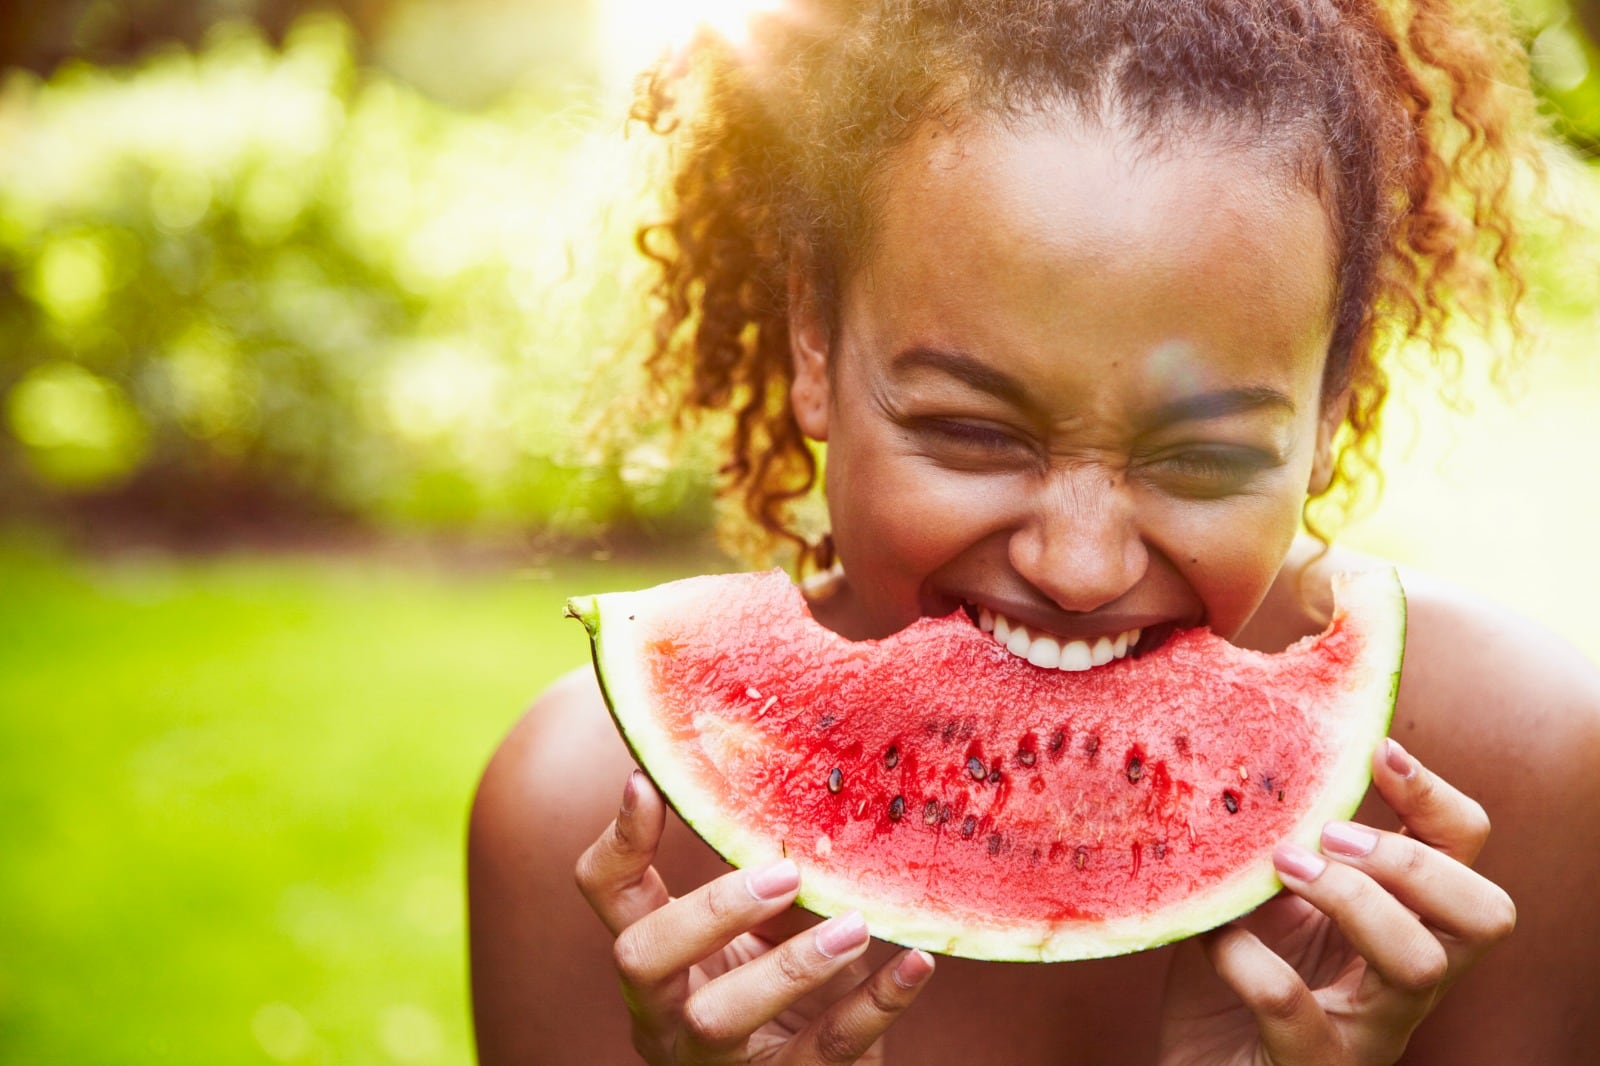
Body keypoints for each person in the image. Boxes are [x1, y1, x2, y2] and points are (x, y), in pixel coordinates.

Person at [467, 1, 1600, 1061]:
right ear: (814, 344)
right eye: (970, 432)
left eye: (1200, 457)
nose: (1078, 564)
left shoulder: (1531, 777)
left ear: (1329, 404)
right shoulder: (584, 820)